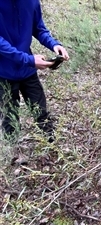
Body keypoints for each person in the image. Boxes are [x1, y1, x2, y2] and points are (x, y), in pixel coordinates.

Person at [0, 0, 69, 143]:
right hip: (3, 72)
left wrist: (54, 44)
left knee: (41, 113)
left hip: (27, 71)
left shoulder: (31, 2)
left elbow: (38, 28)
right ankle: (13, 156)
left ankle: (52, 148)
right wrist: (29, 60)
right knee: (9, 120)